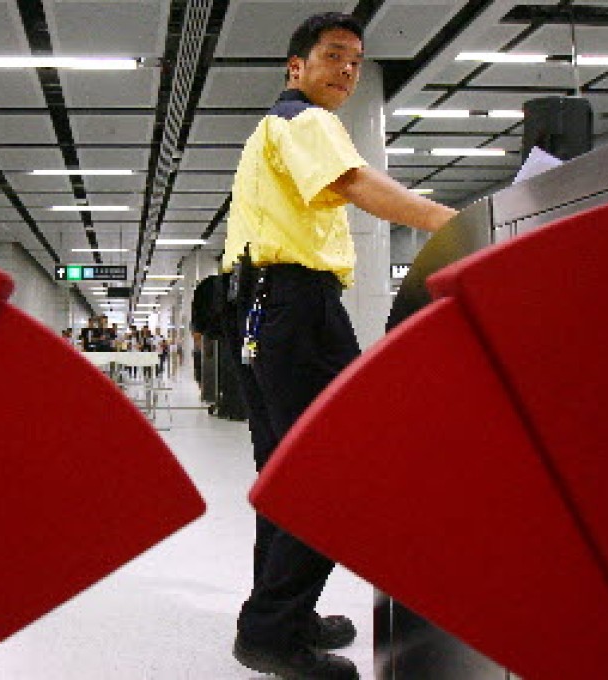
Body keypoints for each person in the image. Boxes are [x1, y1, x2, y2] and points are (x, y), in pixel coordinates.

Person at [221, 12, 458, 679]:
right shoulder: (303, 121)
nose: (348, 70)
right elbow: (355, 183)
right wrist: (452, 222)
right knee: (332, 469)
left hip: (261, 310)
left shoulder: (273, 131)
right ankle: (271, 629)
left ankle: (280, 614)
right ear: (296, 67)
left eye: (356, 60)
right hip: (297, 309)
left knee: (285, 475)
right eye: (334, 56)